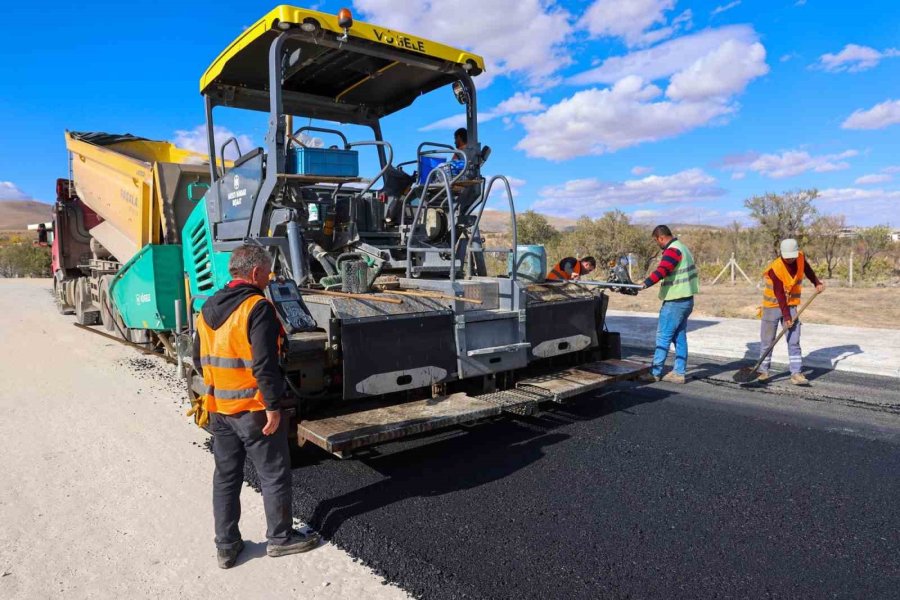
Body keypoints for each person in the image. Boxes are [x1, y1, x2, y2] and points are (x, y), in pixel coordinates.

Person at [192, 244, 319, 569]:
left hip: (220, 409)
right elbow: (264, 364)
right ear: (254, 273)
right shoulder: (256, 307)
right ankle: (280, 539)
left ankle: (226, 546)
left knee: (226, 476)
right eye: (266, 272)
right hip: (253, 409)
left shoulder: (206, 307)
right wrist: (274, 407)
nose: (268, 277)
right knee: (274, 473)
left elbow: (197, 358)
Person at [757, 238, 825, 385]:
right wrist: (787, 316)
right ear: (782, 254)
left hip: (792, 305)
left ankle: (796, 373)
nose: (790, 259)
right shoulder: (776, 268)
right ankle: (763, 371)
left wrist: (817, 282)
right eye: (787, 257)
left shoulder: (800, 258)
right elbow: (780, 294)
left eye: (792, 256)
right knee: (768, 341)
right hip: (772, 307)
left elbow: (807, 269)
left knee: (794, 340)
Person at [638, 225, 699, 384]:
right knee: (679, 336)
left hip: (675, 301)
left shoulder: (672, 250)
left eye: (656, 241)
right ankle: (679, 373)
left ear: (661, 238)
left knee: (663, 336)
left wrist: (645, 284)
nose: (657, 244)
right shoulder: (683, 248)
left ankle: (655, 372)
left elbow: (662, 270)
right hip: (686, 300)